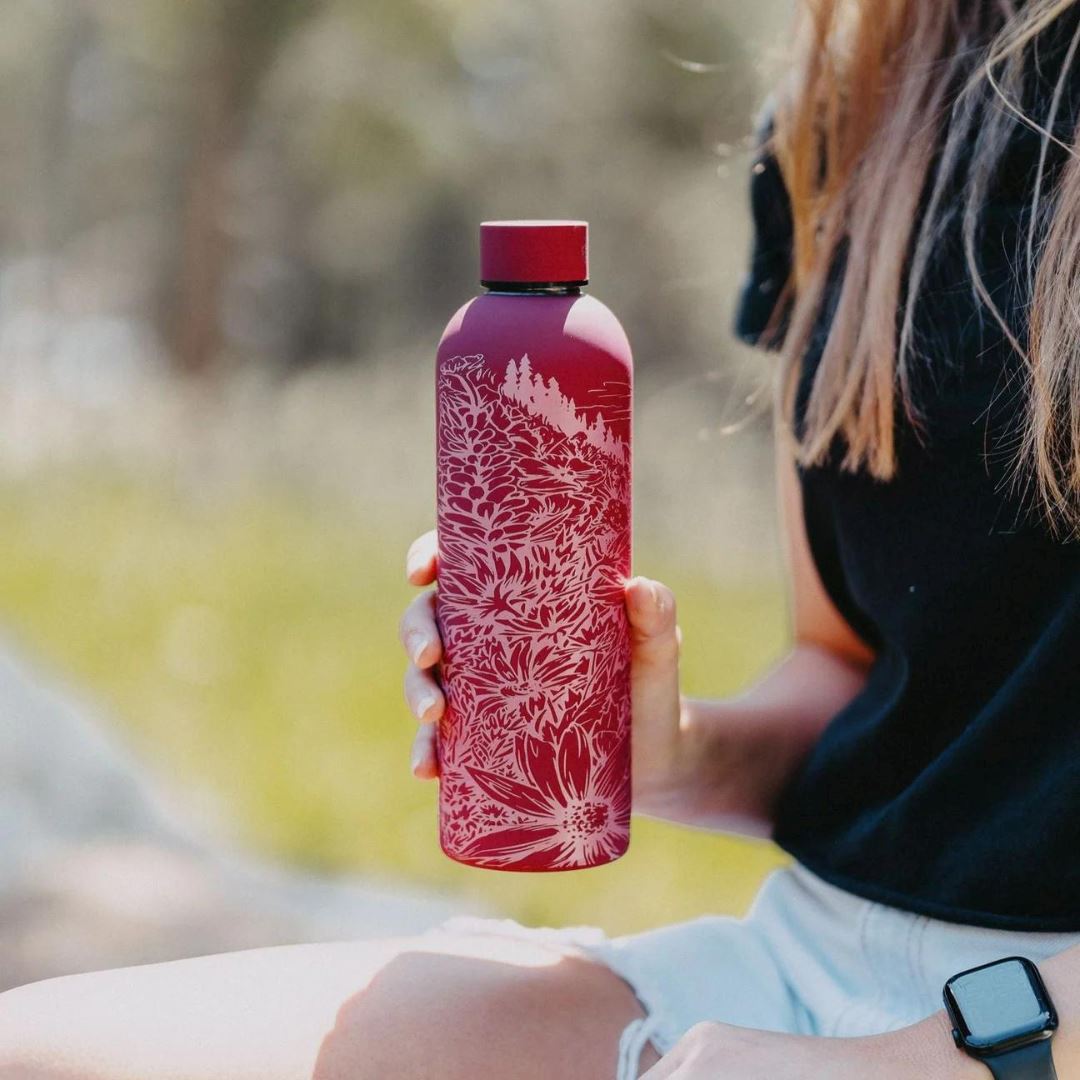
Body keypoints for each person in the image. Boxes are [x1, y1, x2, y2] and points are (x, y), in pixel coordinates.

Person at [4, 1, 1080, 1077]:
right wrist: (665, 752)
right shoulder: (869, 92)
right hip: (803, 970)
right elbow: (859, 672)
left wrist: (931, 1059)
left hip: (1027, 1029)